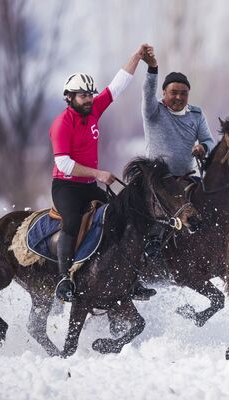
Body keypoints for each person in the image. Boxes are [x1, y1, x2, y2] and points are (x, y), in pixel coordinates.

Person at [50, 44, 156, 302]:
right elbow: (63, 164)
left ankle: (131, 279)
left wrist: (138, 57)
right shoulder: (62, 124)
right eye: (82, 96)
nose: (88, 99)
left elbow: (117, 85)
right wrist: (98, 174)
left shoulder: (94, 109)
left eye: (89, 95)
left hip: (88, 184)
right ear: (69, 97)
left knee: (122, 217)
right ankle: (64, 280)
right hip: (66, 187)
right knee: (72, 222)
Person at [140, 46, 215, 262]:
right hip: (157, 179)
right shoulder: (153, 111)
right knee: (161, 206)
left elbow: (208, 140)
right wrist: (152, 68)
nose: (179, 97)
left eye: (183, 93)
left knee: (207, 197)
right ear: (164, 93)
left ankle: (208, 242)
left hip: (185, 177)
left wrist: (203, 148)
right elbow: (147, 93)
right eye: (174, 92)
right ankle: (152, 245)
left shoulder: (196, 115)